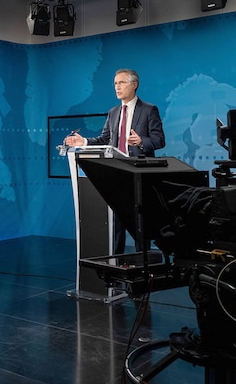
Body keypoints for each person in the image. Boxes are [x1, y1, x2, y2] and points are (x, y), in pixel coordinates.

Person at [64, 68, 165, 253]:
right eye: (115, 83)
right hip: (116, 174)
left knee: (139, 223)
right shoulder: (113, 112)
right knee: (116, 222)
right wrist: (83, 141)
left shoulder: (149, 110)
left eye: (122, 83)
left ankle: (141, 264)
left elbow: (159, 140)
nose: (117, 87)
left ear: (134, 85)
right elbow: (105, 140)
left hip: (139, 175)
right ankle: (116, 263)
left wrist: (142, 141)